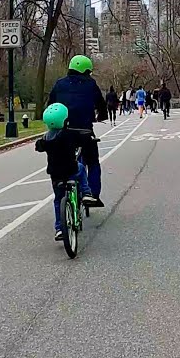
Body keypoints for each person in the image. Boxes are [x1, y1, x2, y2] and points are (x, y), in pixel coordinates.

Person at [46, 54, 109, 213]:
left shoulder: (59, 84)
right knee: (93, 162)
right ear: (86, 70)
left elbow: (50, 104)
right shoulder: (90, 84)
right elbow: (101, 105)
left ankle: (63, 191)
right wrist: (101, 116)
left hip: (62, 132)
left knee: (61, 160)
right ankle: (93, 194)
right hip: (84, 131)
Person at [35, 103, 96, 241]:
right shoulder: (69, 135)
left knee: (58, 200)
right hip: (71, 170)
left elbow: (38, 146)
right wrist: (89, 139)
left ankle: (59, 229)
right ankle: (86, 193)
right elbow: (83, 138)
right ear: (65, 120)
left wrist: (40, 145)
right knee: (80, 168)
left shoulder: (46, 138)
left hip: (55, 175)